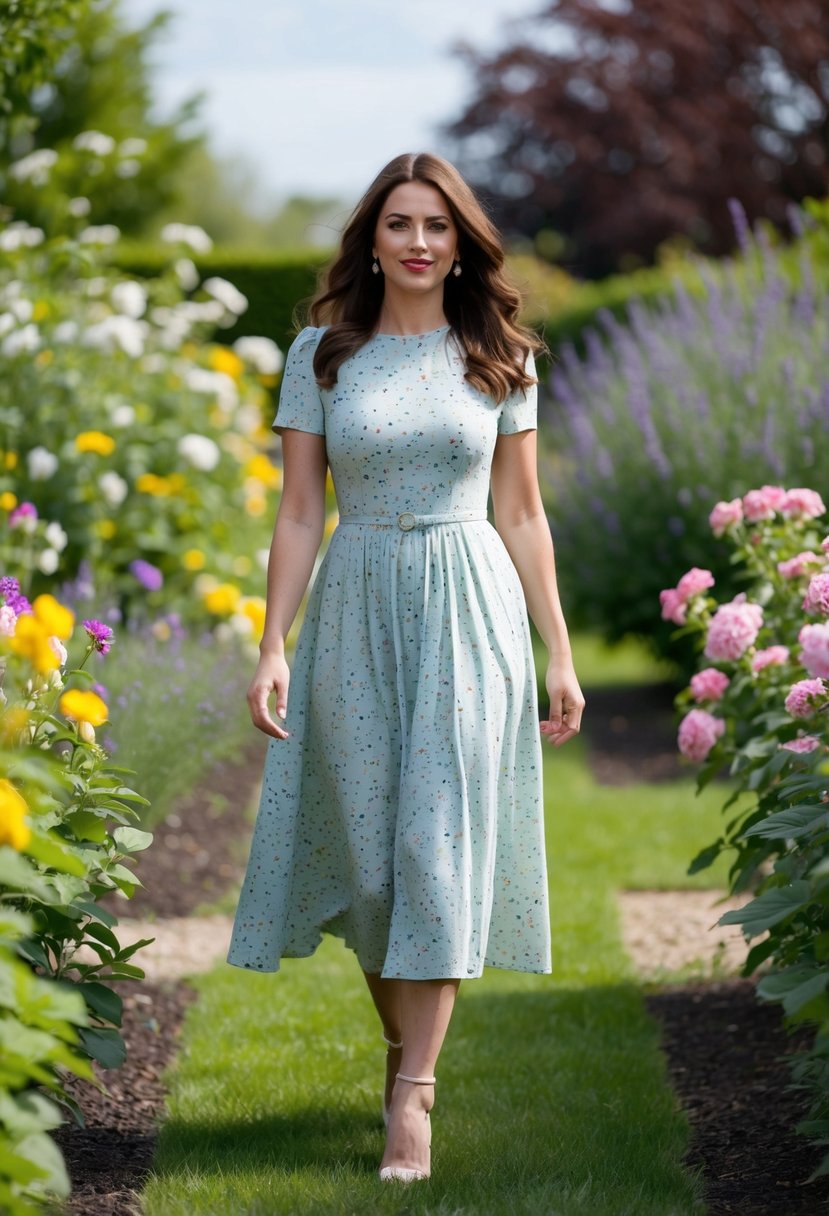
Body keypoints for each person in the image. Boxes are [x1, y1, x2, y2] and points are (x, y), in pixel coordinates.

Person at [226, 151, 585, 1184]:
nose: (419, 241)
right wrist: (272, 640)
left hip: (468, 607)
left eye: (437, 225)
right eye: (399, 224)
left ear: (461, 243)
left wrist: (556, 649)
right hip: (353, 605)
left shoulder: (503, 356)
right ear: (372, 242)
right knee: (374, 865)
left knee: (435, 848)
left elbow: (520, 510)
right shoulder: (320, 355)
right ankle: (404, 1051)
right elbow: (299, 509)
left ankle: (413, 1103)